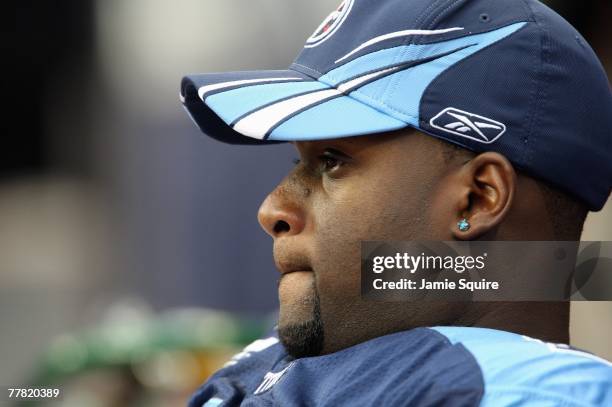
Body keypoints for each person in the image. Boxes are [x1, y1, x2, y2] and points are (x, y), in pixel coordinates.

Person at [180, 0, 612, 405]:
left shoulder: (523, 389)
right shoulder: (293, 356)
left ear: (476, 199)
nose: (272, 210)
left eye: (331, 162)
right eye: (299, 160)